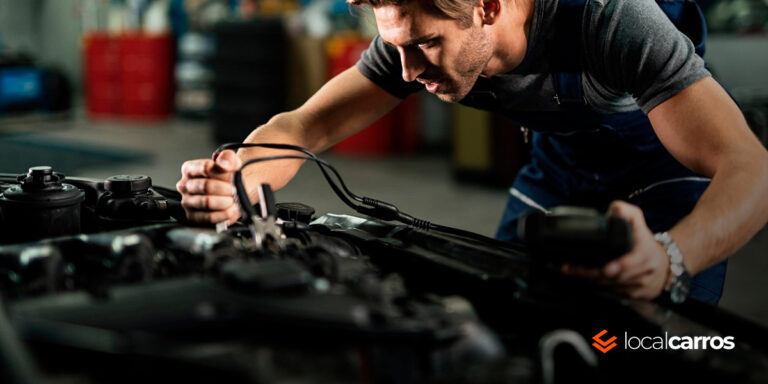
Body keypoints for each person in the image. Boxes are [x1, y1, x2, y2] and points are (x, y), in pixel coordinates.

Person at [176, 0, 768, 304]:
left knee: (648, 342)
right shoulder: (416, 32)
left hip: (662, 181)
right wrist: (238, 175)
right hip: (557, 173)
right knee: (505, 313)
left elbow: (751, 167)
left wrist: (669, 258)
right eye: (398, 46)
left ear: (487, 6)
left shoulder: (611, 21)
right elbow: (308, 124)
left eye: (428, 45)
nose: (408, 71)